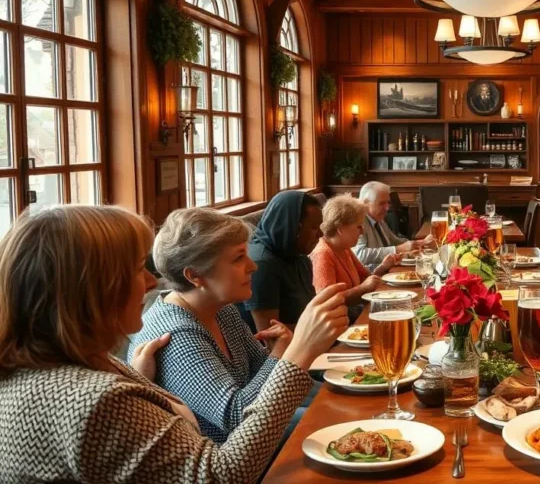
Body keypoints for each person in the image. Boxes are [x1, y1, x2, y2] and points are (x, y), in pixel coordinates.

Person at [0, 205, 349, 482]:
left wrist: (142, 380)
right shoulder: (93, 400)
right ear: (91, 289)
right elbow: (223, 475)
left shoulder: (64, 364)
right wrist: (299, 352)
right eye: (138, 269)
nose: (152, 282)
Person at [129, 207, 346, 444]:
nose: (253, 266)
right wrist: (285, 352)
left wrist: (340, 394)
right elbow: (236, 416)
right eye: (238, 258)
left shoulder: (220, 308)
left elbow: (267, 375)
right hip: (233, 456)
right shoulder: (176, 335)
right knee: (327, 420)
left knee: (339, 410)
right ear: (194, 275)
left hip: (261, 432)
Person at [243, 190, 324, 333]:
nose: (321, 234)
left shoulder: (300, 257)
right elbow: (270, 335)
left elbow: (309, 313)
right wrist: (323, 326)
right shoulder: (261, 265)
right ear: (292, 226)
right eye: (314, 227)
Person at [312, 194, 403, 321]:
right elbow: (328, 302)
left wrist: (383, 267)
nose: (362, 231)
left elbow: (366, 278)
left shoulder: (344, 248)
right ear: (340, 229)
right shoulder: (323, 254)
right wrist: (362, 288)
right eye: (358, 226)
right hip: (343, 324)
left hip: (356, 314)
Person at [354, 181, 431, 268]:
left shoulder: (379, 217)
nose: (387, 208)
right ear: (366, 203)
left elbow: (393, 240)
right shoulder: (357, 221)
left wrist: (418, 244)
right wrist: (398, 249)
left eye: (388, 203)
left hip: (388, 269)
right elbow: (359, 255)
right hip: (371, 275)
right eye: (382, 203)